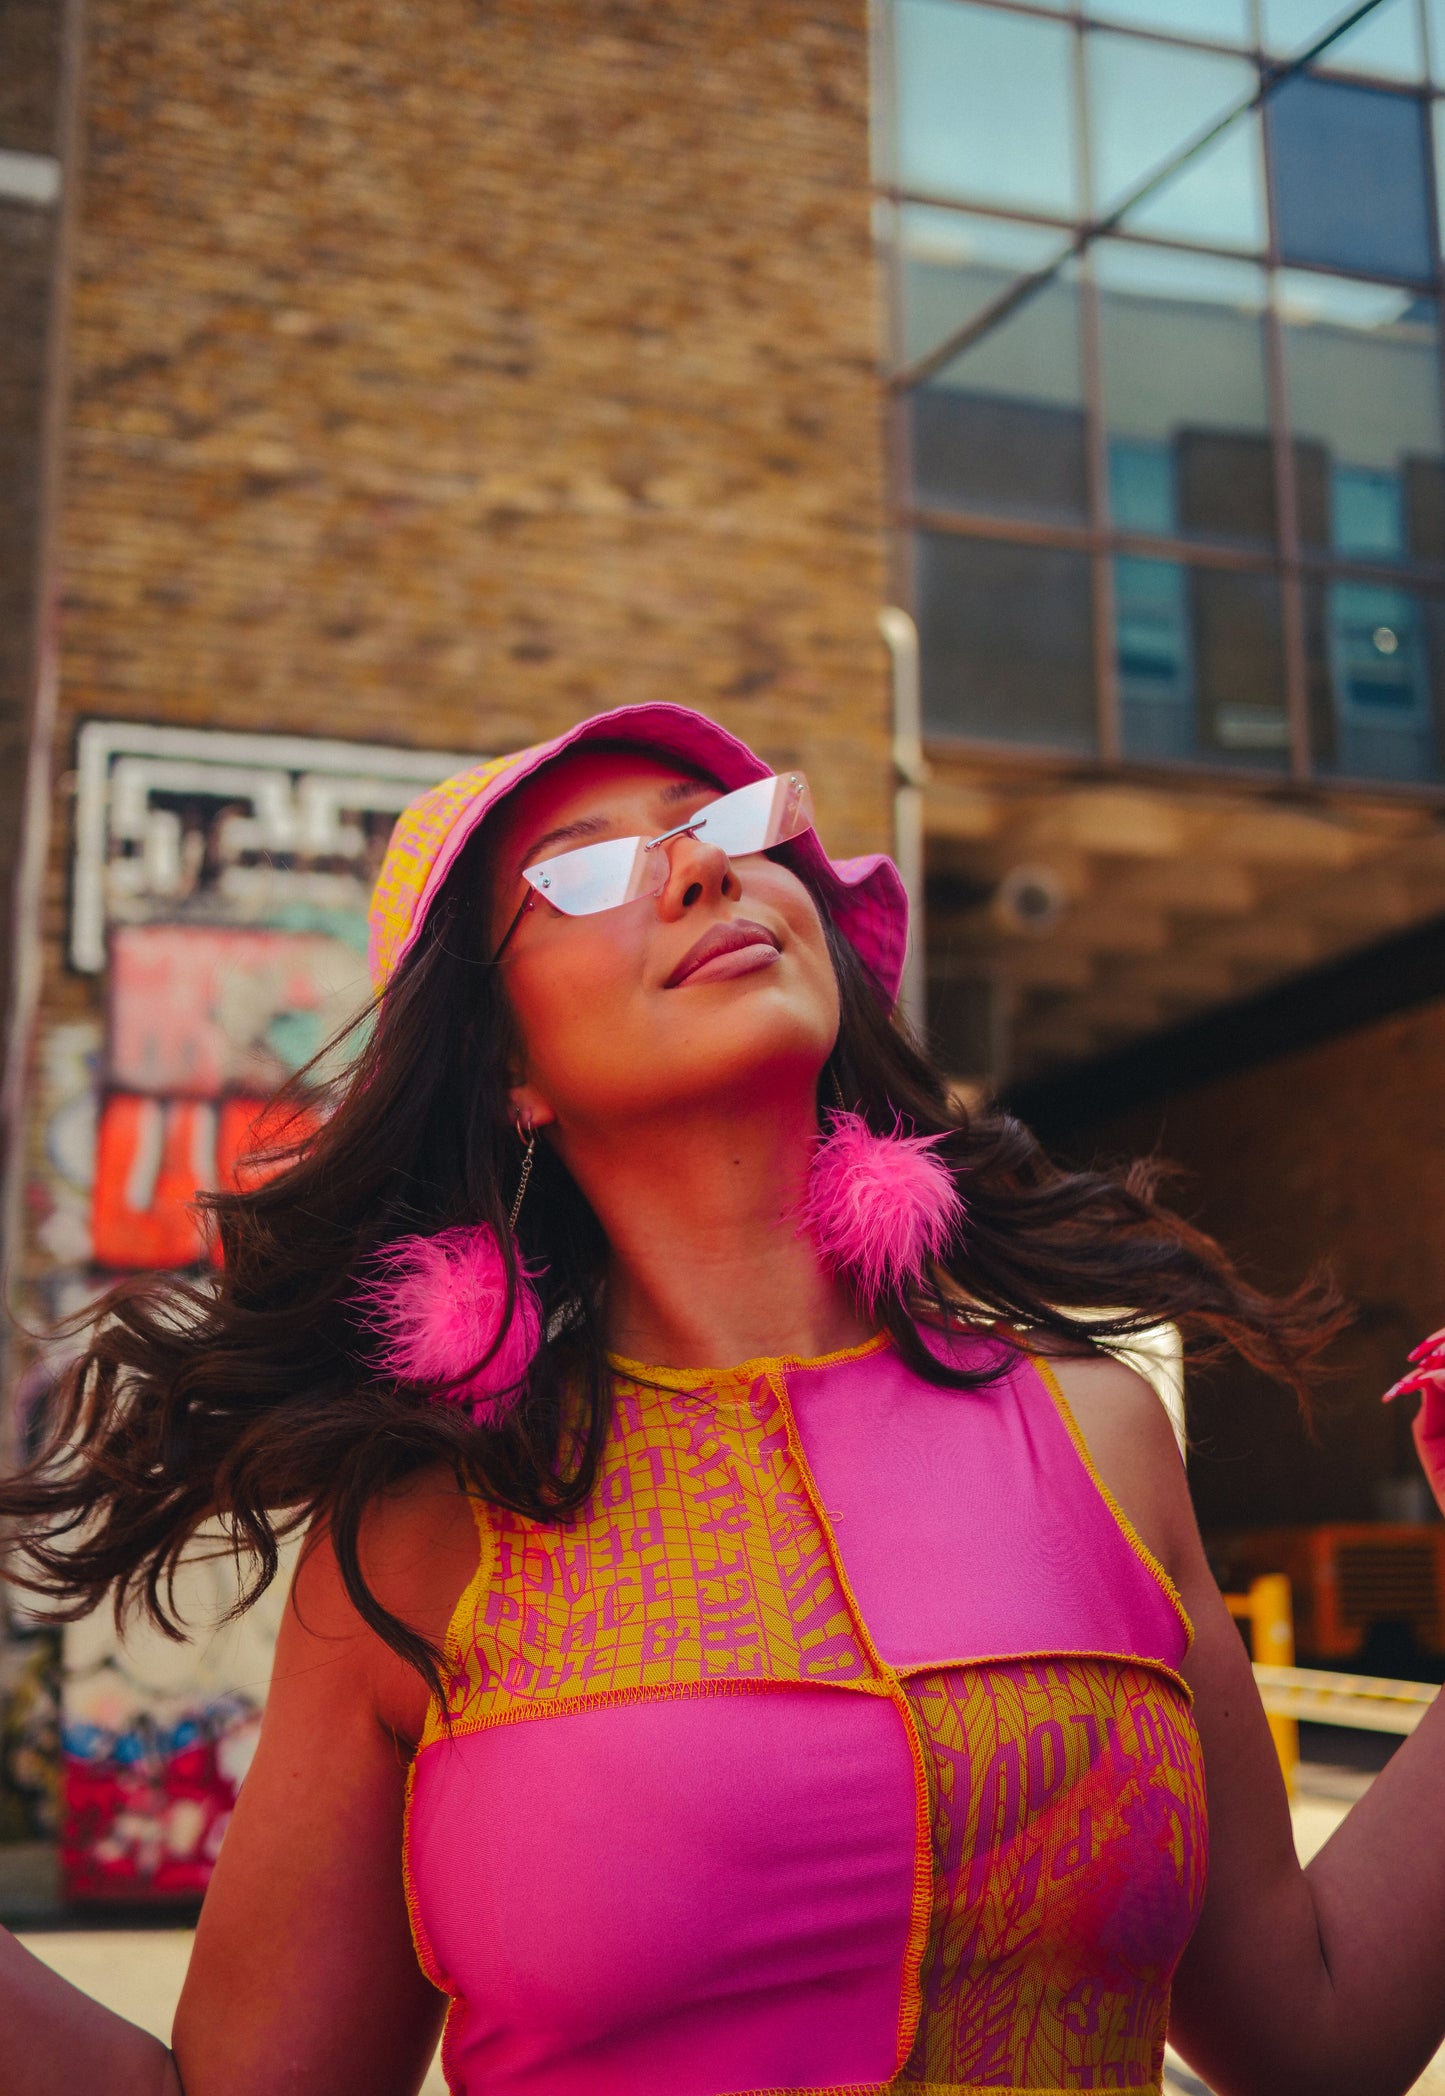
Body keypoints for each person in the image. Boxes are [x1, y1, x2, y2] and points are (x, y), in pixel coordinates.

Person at [1, 700, 1443, 2096]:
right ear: (506, 1067)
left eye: (731, 826)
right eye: (584, 872)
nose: (703, 866)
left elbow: (1318, 2040)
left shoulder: (1097, 1433)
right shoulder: (420, 1538)